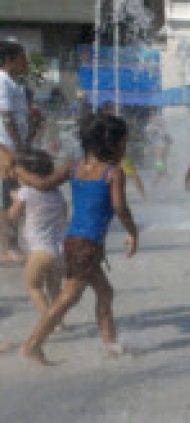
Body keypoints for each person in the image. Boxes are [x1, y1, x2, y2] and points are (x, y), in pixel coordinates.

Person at [15, 113, 139, 366]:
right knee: (68, 297)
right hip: (88, 246)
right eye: (124, 143)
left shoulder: (73, 166)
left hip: (72, 241)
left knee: (105, 292)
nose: (126, 148)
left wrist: (16, 169)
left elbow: (42, 183)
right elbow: (119, 207)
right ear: (111, 144)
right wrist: (133, 232)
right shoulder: (112, 173)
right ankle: (32, 344)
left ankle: (111, 345)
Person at [7, 150, 66, 329]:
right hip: (59, 249)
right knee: (54, 290)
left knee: (33, 287)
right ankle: (60, 322)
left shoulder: (25, 192)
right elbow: (64, 215)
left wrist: (13, 202)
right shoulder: (57, 193)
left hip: (40, 251)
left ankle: (50, 322)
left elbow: (13, 216)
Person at [0, 41, 32, 263]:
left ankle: (14, 244)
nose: (26, 62)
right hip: (6, 148)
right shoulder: (2, 82)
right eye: (23, 57)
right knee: (9, 197)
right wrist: (18, 146)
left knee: (16, 196)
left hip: (12, 146)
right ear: (10, 59)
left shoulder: (12, 83)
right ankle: (8, 247)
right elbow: (6, 116)